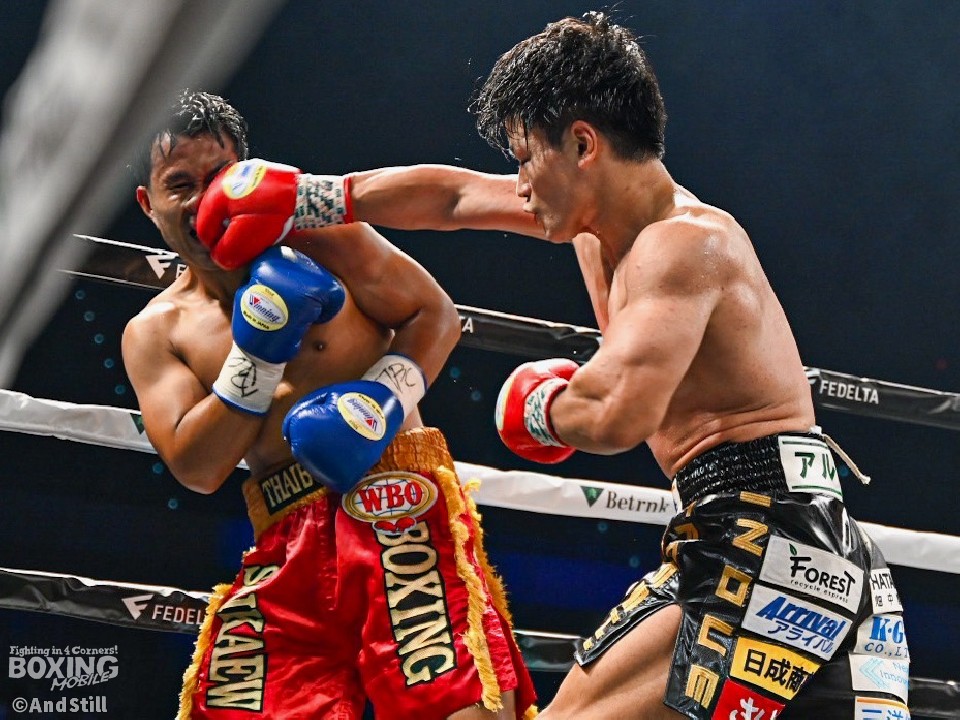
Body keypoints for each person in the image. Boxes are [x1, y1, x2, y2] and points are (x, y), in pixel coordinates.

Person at [193, 12, 911, 720]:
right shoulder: (599, 224)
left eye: (525, 157)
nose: (520, 184)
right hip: (789, 543)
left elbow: (614, 411)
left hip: (764, 541)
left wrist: (538, 405)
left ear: (583, 144)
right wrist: (312, 197)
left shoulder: (682, 244)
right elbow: (453, 197)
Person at [121, 89, 537, 720]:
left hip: (395, 496)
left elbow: (434, 314)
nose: (206, 200)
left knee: (460, 704)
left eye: (219, 176)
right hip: (284, 535)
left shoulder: (320, 236)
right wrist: (257, 353)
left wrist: (381, 399)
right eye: (181, 185)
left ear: (245, 173)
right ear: (148, 203)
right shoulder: (157, 331)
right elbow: (197, 466)